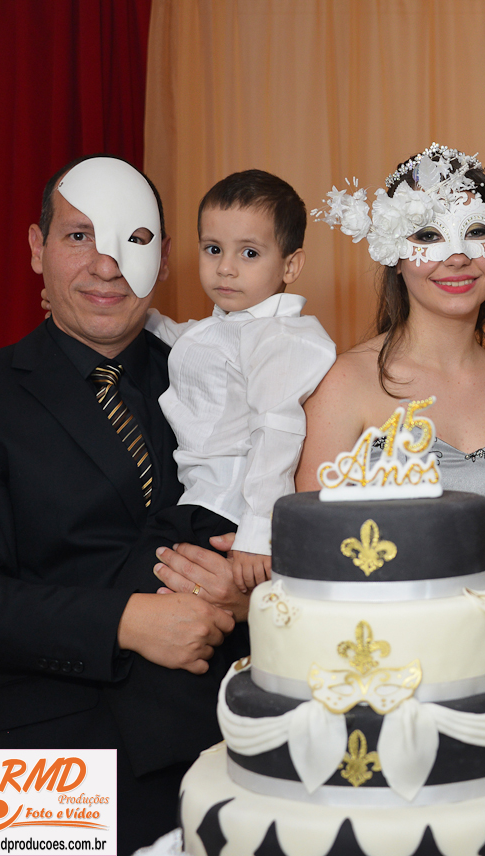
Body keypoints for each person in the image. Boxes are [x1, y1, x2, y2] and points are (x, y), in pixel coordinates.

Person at [0, 155, 248, 853]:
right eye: (79, 236)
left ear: (164, 259)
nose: (106, 265)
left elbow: (287, 543)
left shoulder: (228, 386)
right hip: (38, 769)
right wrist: (127, 622)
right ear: (37, 248)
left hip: (218, 753)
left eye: (133, 240)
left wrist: (248, 596)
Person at [296, 143, 485, 583]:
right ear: (393, 255)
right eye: (427, 236)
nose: (457, 257)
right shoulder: (344, 383)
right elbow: (314, 551)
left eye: (477, 231)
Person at [143, 170, 335, 591]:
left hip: (229, 513)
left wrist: (259, 532)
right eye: (213, 249)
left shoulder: (281, 337)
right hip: (195, 502)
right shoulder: (225, 326)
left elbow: (276, 432)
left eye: (249, 253)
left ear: (290, 265)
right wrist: (107, 311)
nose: (225, 268)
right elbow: (179, 337)